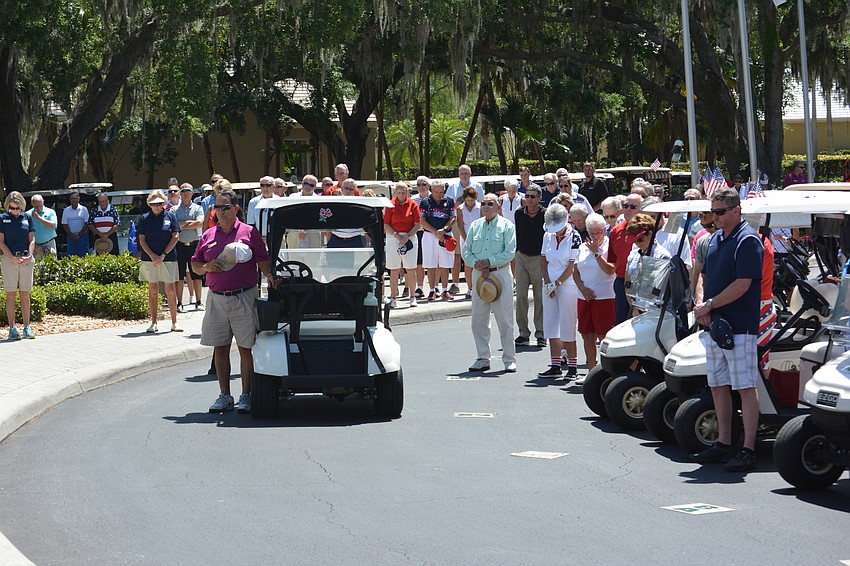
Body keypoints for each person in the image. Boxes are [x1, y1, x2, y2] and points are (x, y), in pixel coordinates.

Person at [692, 187, 763, 472]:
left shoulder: (748, 240)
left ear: (736, 210)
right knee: (717, 384)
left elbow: (743, 285)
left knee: (745, 387)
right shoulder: (712, 240)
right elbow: (703, 276)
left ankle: (748, 448)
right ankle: (723, 443)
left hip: (740, 326)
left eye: (720, 212)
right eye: (712, 212)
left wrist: (708, 304)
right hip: (715, 324)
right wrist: (701, 304)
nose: (715, 217)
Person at [191, 187, 273, 414]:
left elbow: (263, 259)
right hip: (216, 299)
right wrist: (206, 266)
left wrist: (271, 277)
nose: (221, 211)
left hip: (244, 296)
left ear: (236, 209)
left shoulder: (248, 232)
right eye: (217, 207)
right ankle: (225, 395)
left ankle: (246, 395)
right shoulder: (208, 235)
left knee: (246, 348)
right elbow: (195, 264)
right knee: (220, 348)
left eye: (226, 207)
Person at [462, 192, 517, 373]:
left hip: (499, 274)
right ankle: (482, 357)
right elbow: (466, 251)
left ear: (498, 206)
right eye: (484, 203)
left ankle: (509, 359)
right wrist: (477, 264)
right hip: (479, 276)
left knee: (505, 319)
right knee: (478, 318)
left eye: (490, 203)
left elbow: (510, 252)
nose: (486, 206)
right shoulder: (475, 226)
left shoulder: (506, 226)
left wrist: (489, 262)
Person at [538, 203, 582, 378]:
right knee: (551, 324)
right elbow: (543, 261)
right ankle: (555, 364)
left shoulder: (575, 236)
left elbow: (572, 266)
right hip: (550, 283)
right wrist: (548, 283)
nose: (556, 232)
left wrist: (556, 283)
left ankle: (572, 367)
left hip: (567, 284)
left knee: (567, 324)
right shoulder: (547, 235)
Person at [573, 213, 616, 373]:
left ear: (604, 230)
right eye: (592, 233)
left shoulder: (609, 246)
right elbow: (575, 271)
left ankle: (607, 371)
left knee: (603, 335)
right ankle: (592, 370)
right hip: (584, 297)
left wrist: (597, 253)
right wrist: (581, 288)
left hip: (604, 297)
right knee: (586, 334)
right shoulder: (582, 247)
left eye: (599, 232)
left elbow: (611, 270)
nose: (596, 236)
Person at [137, 190, 182, 333]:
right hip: (149, 259)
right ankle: (153, 322)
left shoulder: (171, 216)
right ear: (149, 204)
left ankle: (174, 322)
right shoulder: (144, 218)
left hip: (168, 257)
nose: (157, 206)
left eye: (159, 203)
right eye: (153, 204)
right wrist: (152, 256)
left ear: (163, 203)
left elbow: (175, 236)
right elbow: (142, 239)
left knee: (170, 289)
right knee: (153, 289)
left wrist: (163, 254)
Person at [514, 184, 547, 348]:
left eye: (533, 196)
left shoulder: (546, 214)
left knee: (540, 297)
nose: (529, 199)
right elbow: (517, 235)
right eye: (527, 196)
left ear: (540, 198)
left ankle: (541, 333)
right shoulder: (519, 213)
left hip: (539, 258)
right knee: (520, 296)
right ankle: (523, 333)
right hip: (521, 257)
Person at [0, 191, 36, 339]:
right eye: (12, 208)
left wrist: (29, 255)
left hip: (26, 259)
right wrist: (12, 258)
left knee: (25, 294)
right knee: (10, 295)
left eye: (17, 208)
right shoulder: (2, 218)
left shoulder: (27, 217)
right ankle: (12, 328)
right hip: (9, 259)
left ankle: (27, 327)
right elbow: (1, 242)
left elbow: (32, 239)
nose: (15, 211)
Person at [606, 193, 643, 323]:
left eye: (633, 206)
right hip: (622, 283)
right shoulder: (615, 232)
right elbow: (614, 260)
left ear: (641, 209)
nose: (628, 209)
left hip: (643, 285)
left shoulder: (649, 230)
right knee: (621, 323)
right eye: (625, 206)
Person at [384, 181, 421, 308]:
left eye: (403, 192)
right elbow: (386, 224)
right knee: (394, 269)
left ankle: (412, 297)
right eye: (399, 192)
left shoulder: (413, 204)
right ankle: (393, 297)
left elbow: (417, 224)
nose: (401, 194)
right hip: (393, 236)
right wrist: (396, 236)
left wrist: (407, 236)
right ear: (395, 193)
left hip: (409, 236)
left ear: (407, 193)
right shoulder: (390, 205)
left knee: (410, 268)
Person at [446, 164, 483, 293]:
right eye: (462, 173)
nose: (464, 175)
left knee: (478, 256)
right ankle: (455, 284)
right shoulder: (452, 187)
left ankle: (477, 286)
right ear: (458, 174)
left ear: (470, 173)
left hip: (477, 226)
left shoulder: (478, 186)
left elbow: (482, 207)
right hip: (457, 223)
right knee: (456, 255)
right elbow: (450, 206)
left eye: (466, 173)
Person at [419, 179, 456, 301]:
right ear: (432, 190)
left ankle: (445, 290)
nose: (439, 195)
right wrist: (435, 232)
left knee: (445, 264)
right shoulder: (425, 202)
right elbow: (422, 220)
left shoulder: (449, 200)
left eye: (441, 192)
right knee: (431, 264)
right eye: (436, 192)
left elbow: (453, 217)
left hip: (445, 235)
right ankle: (431, 290)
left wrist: (444, 230)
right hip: (430, 235)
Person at [174, 184, 205, 311]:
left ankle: (198, 301)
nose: (186, 193)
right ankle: (180, 303)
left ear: (192, 193)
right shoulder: (174, 210)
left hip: (194, 245)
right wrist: (190, 224)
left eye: (188, 191)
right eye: (183, 191)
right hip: (179, 245)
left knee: (196, 274)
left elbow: (200, 223)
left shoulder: (198, 208)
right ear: (180, 193)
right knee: (179, 276)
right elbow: (174, 225)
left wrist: (182, 225)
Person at [456, 186, 481, 300]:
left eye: (472, 200)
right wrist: (466, 240)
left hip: (479, 238)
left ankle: (479, 287)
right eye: (468, 200)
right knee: (468, 264)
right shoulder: (460, 209)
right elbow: (460, 226)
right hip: (465, 238)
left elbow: (482, 223)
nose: (470, 202)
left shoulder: (481, 207)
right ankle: (470, 288)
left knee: (479, 263)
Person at [411, 176, 431, 299]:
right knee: (419, 262)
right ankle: (420, 287)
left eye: (423, 184)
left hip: (431, 233)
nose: (421, 187)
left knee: (433, 262)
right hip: (417, 232)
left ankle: (434, 288)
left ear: (428, 185)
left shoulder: (434, 198)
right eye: (419, 185)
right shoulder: (413, 200)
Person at [247, 176, 280, 242]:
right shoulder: (253, 202)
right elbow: (251, 224)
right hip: (259, 238)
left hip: (277, 238)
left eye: (268, 185)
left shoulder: (279, 201)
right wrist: (258, 238)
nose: (265, 188)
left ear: (274, 187)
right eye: (262, 185)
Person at [27, 194, 58, 261]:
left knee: (51, 266)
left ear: (43, 202)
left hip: (49, 243)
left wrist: (39, 218)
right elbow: (24, 233)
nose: (38, 208)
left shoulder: (50, 212)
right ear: (32, 204)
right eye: (36, 206)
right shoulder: (27, 215)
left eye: (40, 205)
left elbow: (53, 226)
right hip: (34, 245)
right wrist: (35, 246)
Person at [62, 192, 90, 257]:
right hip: (71, 236)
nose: (74, 200)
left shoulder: (84, 209)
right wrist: (71, 236)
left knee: (83, 256)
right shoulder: (66, 210)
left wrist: (79, 235)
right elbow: (64, 224)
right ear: (70, 200)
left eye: (75, 198)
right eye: (72, 198)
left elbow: (87, 223)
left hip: (82, 236)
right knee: (71, 256)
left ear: (78, 199)